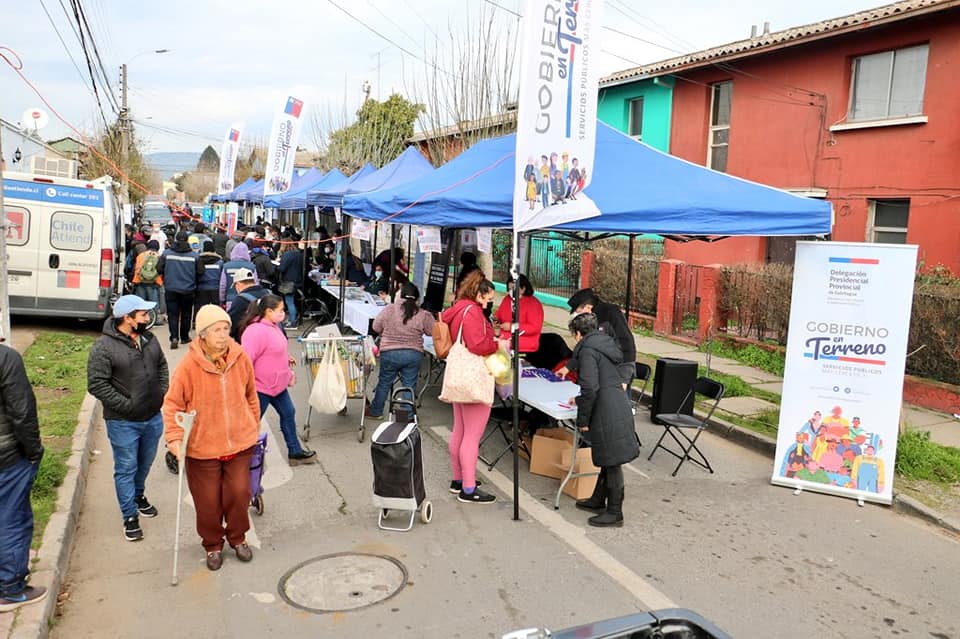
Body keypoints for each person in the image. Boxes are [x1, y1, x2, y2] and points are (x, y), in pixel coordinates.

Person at [162, 305, 260, 572]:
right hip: (202, 448)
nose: (222, 335)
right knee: (207, 502)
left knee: (240, 494)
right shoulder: (188, 366)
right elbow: (172, 405)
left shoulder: (240, 358)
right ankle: (213, 544)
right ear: (202, 334)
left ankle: (238, 537)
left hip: (239, 442)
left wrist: (251, 424)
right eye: (216, 330)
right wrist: (174, 439)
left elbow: (251, 395)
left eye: (226, 328)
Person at [86, 295, 169, 541]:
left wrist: (160, 392)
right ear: (128, 318)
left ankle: (138, 494)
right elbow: (97, 385)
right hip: (123, 423)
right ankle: (129, 516)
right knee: (126, 468)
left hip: (153, 417)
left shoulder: (149, 339)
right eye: (143, 314)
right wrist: (127, 406)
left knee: (144, 464)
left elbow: (162, 366)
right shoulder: (103, 347)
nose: (147, 318)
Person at [567, 312, 639, 527]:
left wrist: (582, 419)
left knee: (613, 460)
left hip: (606, 408)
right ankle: (598, 500)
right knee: (608, 456)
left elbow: (590, 387)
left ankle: (615, 512)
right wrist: (580, 400)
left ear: (578, 334)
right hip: (615, 402)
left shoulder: (588, 351)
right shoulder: (605, 344)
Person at [237, 295, 317, 465]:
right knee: (250, 423)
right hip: (260, 387)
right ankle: (238, 457)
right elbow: (247, 360)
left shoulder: (273, 326)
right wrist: (244, 386)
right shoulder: (255, 331)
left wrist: (285, 357)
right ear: (268, 311)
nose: (284, 313)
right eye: (281, 310)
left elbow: (273, 348)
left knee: (288, 413)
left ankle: (294, 452)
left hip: (277, 386)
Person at [441, 271, 499, 504]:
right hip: (473, 379)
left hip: (459, 377)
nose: (491, 301)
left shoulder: (458, 307)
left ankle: (458, 479)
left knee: (460, 431)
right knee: (472, 437)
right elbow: (477, 344)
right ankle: (468, 487)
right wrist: (496, 342)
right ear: (479, 294)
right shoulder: (473, 312)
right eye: (489, 297)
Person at [0, 344, 47, 611]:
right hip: (7, 459)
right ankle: (11, 588)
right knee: (12, 521)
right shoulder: (6, 358)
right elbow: (22, 412)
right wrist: (33, 451)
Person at [366, 283, 435, 419]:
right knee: (409, 384)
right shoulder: (423, 314)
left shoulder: (390, 309)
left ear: (400, 294)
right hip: (413, 354)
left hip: (389, 352)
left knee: (384, 382)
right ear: (417, 298)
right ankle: (406, 417)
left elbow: (376, 327)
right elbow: (431, 331)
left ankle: (376, 411)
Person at [564, 288, 636, 384]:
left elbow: (627, 346)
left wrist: (624, 377)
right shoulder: (591, 319)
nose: (578, 315)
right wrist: (569, 366)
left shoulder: (611, 314)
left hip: (620, 369)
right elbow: (587, 346)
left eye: (578, 311)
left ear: (588, 307)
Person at [157, 231, 200, 350]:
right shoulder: (194, 256)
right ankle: (185, 337)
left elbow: (158, 269)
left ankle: (174, 337)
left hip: (171, 288)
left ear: (176, 239)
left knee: (172, 314)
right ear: (187, 240)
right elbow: (200, 272)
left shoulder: (167, 254)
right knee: (186, 314)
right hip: (188, 290)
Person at [494, 273, 544, 354]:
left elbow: (534, 328)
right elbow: (498, 314)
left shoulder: (533, 304)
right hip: (506, 335)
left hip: (526, 340)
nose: (511, 291)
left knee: (496, 343)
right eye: (509, 289)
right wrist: (495, 320)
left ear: (523, 289)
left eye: (513, 288)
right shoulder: (507, 299)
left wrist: (511, 326)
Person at [227, 268, 269, 340]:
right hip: (272, 339)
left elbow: (231, 324)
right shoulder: (269, 294)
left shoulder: (241, 300)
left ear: (238, 284)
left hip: (250, 341)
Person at [220, 242, 259, 310]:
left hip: (230, 300)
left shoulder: (226, 266)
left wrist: (222, 299)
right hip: (248, 300)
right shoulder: (252, 267)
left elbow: (223, 285)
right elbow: (255, 284)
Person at [277, 238, 304, 327]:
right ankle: (294, 319)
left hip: (288, 281)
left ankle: (292, 321)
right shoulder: (299, 254)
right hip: (298, 280)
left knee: (289, 301)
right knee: (293, 301)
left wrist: (277, 265)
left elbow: (282, 268)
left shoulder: (286, 255)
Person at [196, 241, 223, 309]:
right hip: (216, 289)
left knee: (202, 310)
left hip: (201, 289)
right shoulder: (220, 262)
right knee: (215, 310)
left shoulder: (198, 260)